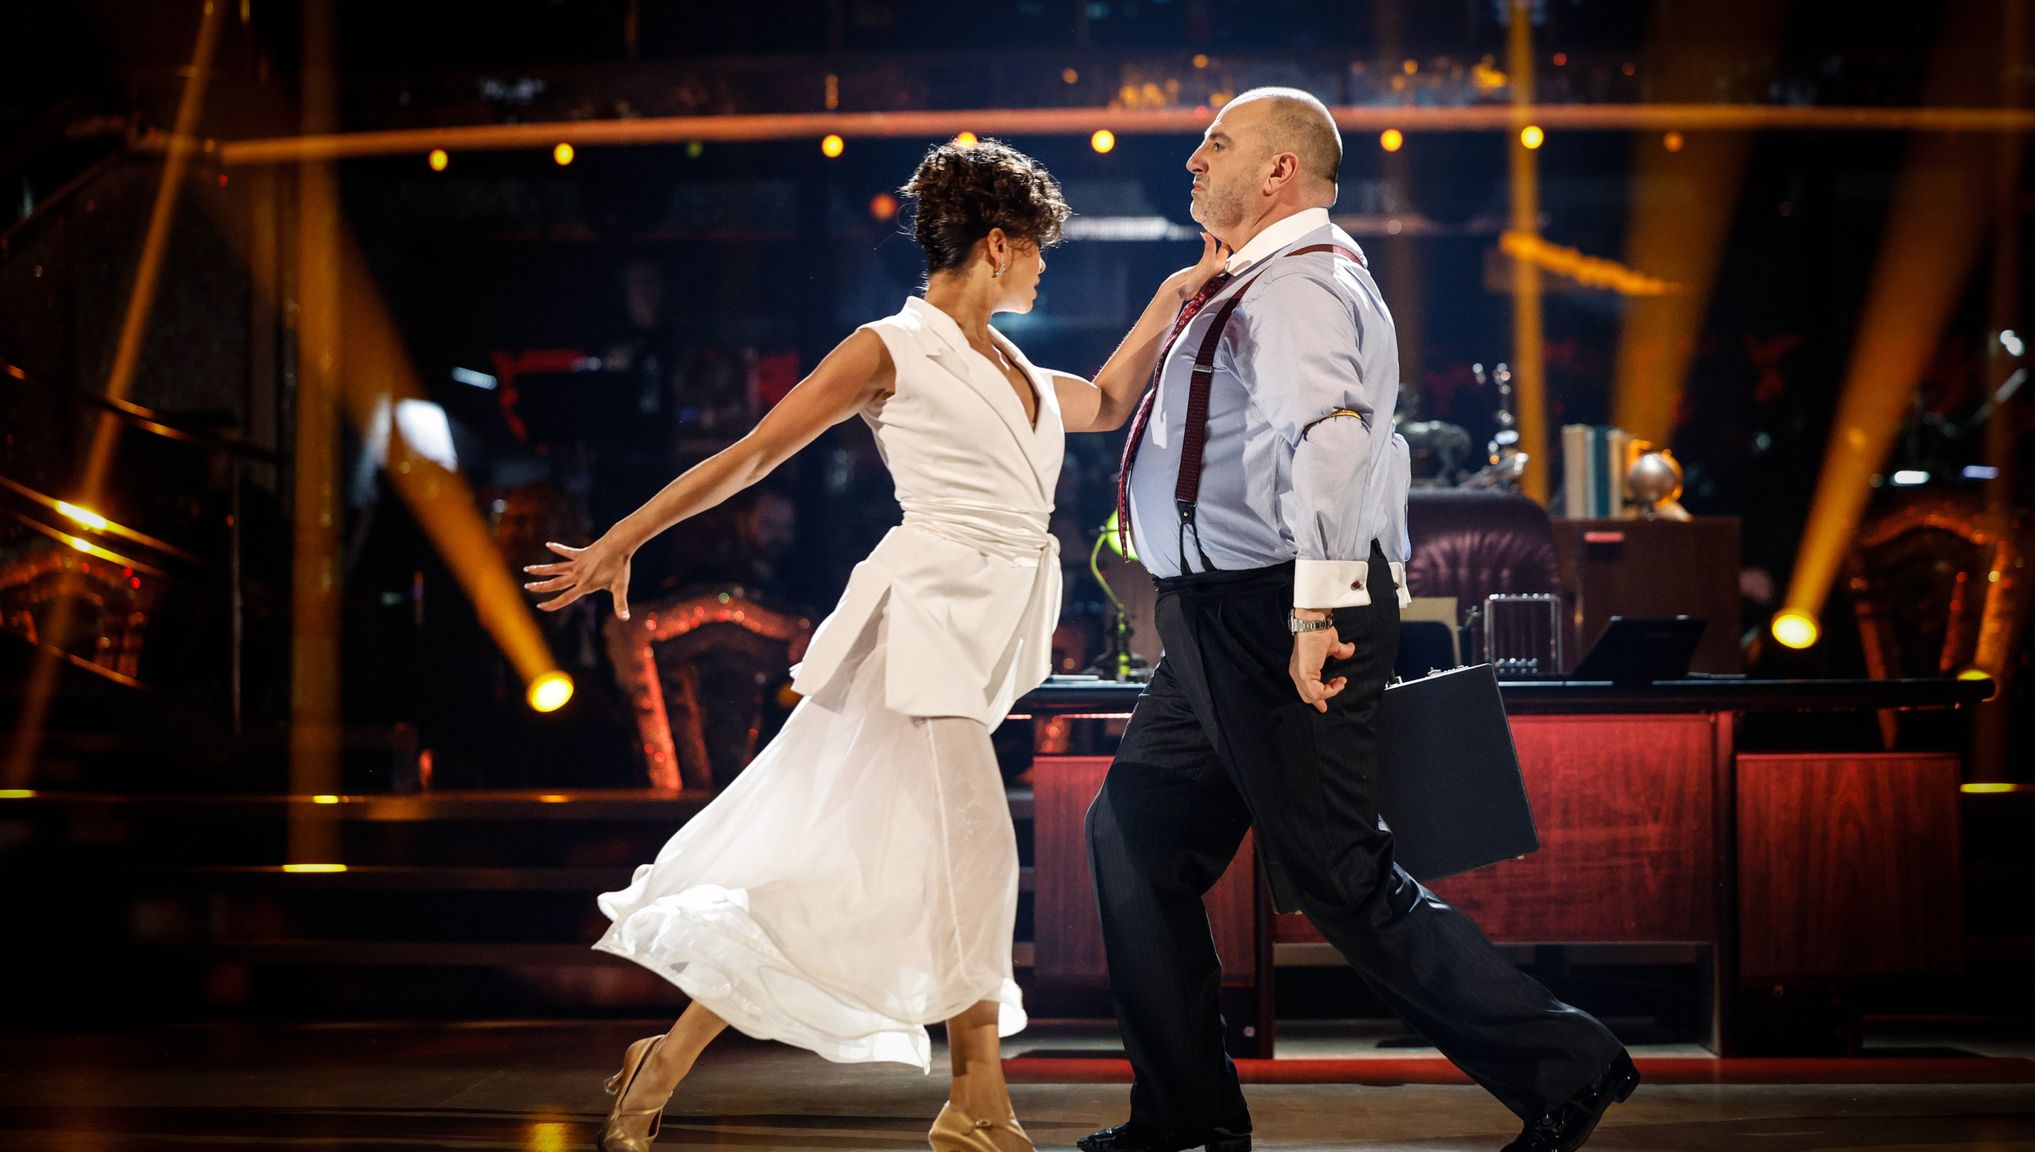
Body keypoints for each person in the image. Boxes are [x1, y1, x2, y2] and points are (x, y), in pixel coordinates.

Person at [521, 138, 1228, 1152]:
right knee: (978, 843)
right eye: (1037, 252)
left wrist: (1174, 291)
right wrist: (621, 538)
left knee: (836, 872)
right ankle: (976, 1099)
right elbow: (751, 452)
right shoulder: (887, 348)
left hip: (985, 630)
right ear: (996, 244)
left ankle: (662, 1058)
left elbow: (1109, 403)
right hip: (922, 619)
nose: (1042, 268)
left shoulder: (1016, 364)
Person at [1076, 88, 1639, 1152]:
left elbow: (1328, 444)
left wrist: (1316, 610)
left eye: (1218, 144)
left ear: (1280, 170)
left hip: (1279, 605)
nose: (1194, 159)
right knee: (1135, 837)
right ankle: (1187, 1116)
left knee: (1337, 874)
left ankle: (1569, 1064)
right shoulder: (1239, 284)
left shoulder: (1296, 288)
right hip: (1214, 618)